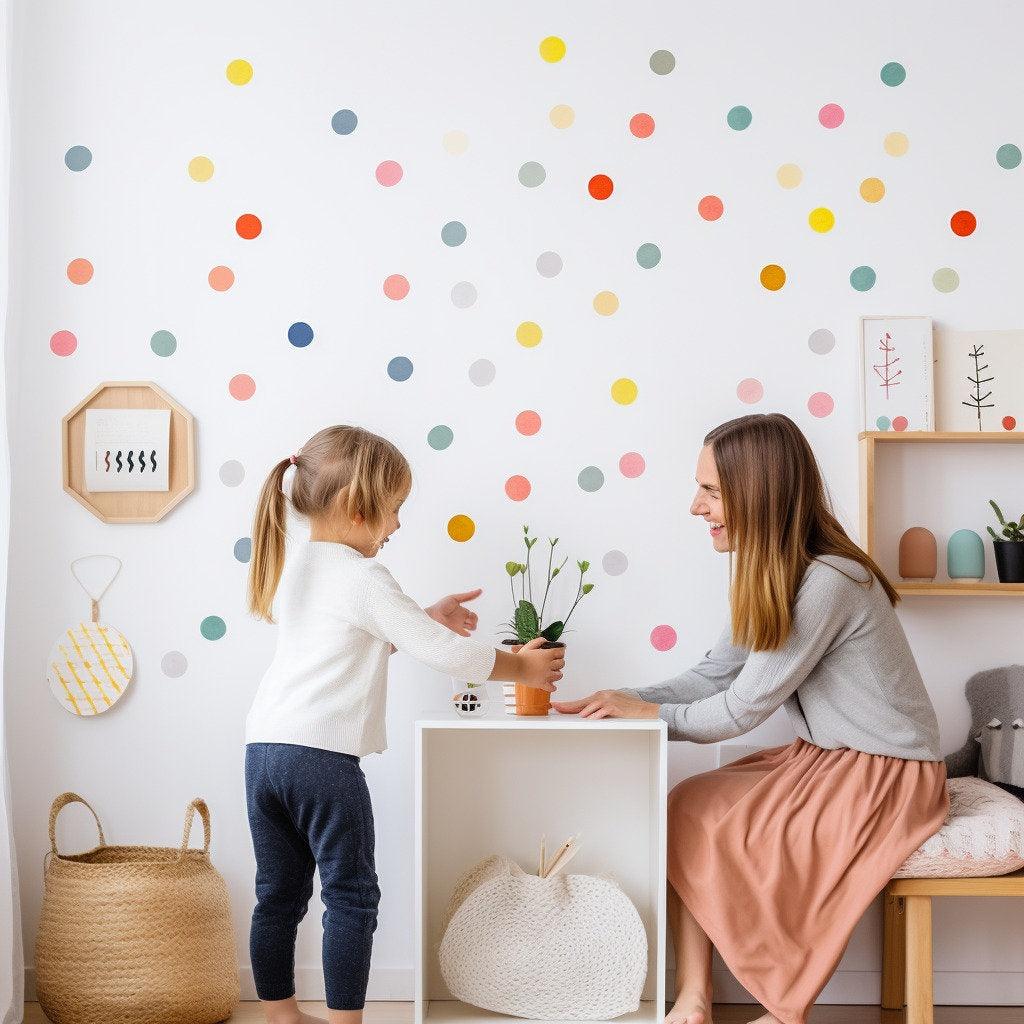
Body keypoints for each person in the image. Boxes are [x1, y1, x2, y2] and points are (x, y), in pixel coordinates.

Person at [553, 413, 948, 1024]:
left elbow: (738, 709)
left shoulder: (827, 584)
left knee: (753, 836)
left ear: (757, 493)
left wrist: (647, 714)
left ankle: (784, 1004)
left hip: (886, 775)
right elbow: (715, 676)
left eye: (710, 491)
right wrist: (619, 697)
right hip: (830, 759)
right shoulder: (775, 573)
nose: (695, 507)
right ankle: (694, 997)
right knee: (690, 803)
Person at [243, 424, 565, 1024]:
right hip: (322, 757)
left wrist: (423, 615)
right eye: (394, 511)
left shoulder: (296, 567)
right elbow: (449, 654)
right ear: (359, 507)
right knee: (351, 895)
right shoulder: (364, 577)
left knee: (278, 895)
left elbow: (346, 642)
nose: (396, 526)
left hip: (264, 750)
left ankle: (280, 1015)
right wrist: (523, 667)